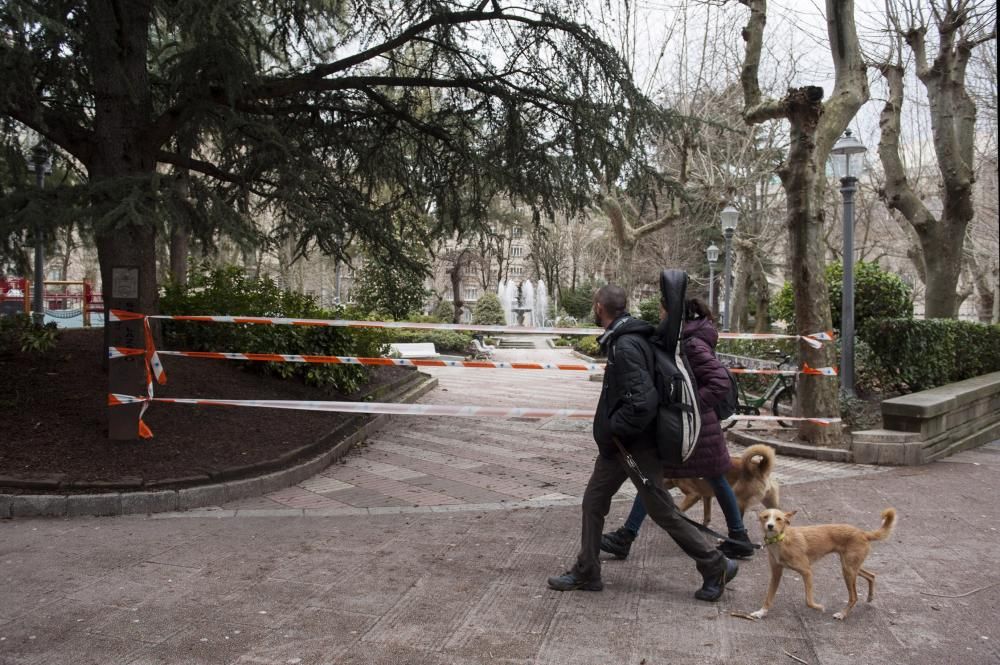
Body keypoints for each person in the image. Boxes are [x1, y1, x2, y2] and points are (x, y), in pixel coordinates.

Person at [547, 285, 738, 601]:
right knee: (593, 502)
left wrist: (615, 428)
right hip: (618, 447)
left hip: (632, 445)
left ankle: (715, 564)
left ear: (598, 307)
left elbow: (643, 401)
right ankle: (587, 571)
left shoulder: (626, 345)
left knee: (662, 511)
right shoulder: (628, 337)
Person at [600, 297, 755, 560]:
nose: (660, 317)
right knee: (709, 477)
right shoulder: (690, 338)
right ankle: (739, 536)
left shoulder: (691, 343)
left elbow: (719, 381)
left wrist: (691, 405)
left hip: (691, 427)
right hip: (698, 427)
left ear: (673, 315)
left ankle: (627, 536)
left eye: (662, 312)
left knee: (656, 479)